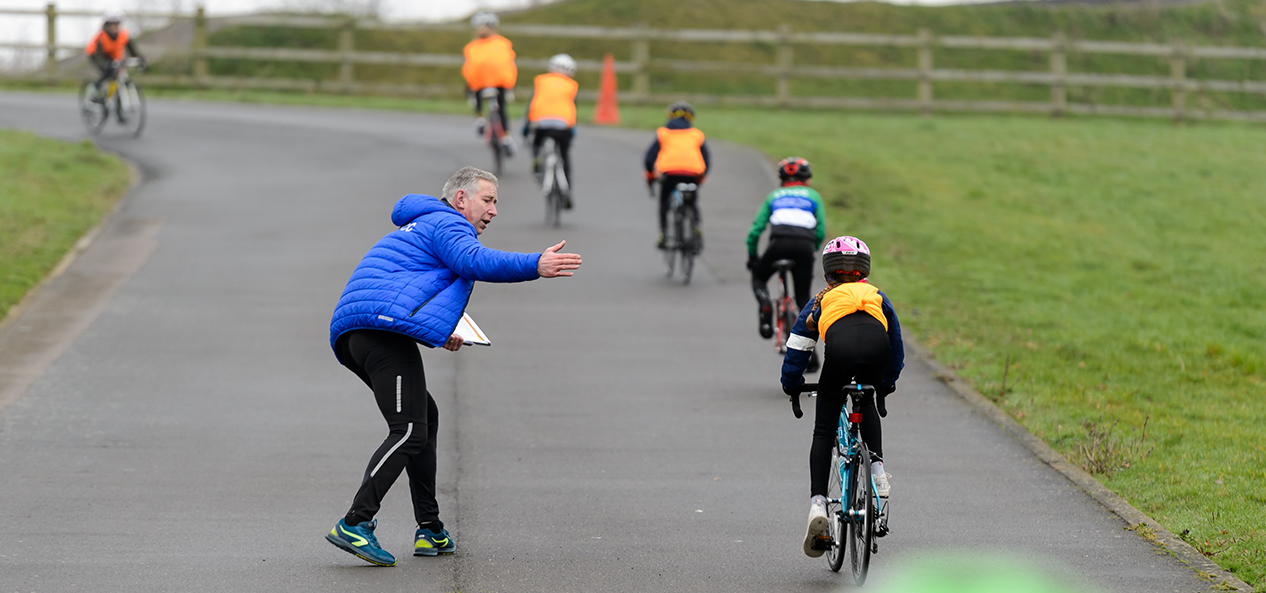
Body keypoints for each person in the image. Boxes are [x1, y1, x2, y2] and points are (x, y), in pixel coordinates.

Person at [325, 166, 582, 566]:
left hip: (366, 331)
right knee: (408, 429)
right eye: (488, 200)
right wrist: (536, 264)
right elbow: (474, 262)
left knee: (423, 418)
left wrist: (440, 330)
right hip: (377, 334)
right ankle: (355, 522)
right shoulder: (447, 222)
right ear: (461, 199)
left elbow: (405, 287)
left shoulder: (427, 223)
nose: (494, 210)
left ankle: (430, 529)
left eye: (497, 202)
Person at [779, 236, 903, 558]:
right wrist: (887, 383)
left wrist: (791, 384)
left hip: (840, 352)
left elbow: (798, 347)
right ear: (864, 271)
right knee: (867, 391)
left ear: (827, 274)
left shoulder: (822, 299)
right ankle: (877, 474)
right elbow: (897, 342)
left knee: (824, 430)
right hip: (877, 349)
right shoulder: (876, 295)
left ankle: (818, 504)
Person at [747, 157, 827, 371]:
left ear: (782, 179)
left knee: (759, 278)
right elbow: (820, 230)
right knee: (803, 300)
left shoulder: (774, 196)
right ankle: (813, 356)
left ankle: (765, 306)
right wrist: (813, 249)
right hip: (804, 245)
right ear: (807, 180)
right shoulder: (814, 196)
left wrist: (753, 257)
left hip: (778, 244)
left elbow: (755, 230)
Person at [643, 101, 710, 250]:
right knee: (692, 200)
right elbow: (707, 159)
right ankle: (696, 225)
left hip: (669, 172)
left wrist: (650, 176)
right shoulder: (696, 134)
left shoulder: (663, 133)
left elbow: (649, 159)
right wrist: (701, 178)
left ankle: (664, 233)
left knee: (664, 200)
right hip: (693, 172)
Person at [523, 53, 579, 207]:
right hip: (563, 125)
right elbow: (574, 109)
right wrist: (572, 130)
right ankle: (567, 191)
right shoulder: (572, 85)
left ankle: (536, 163)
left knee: (536, 143)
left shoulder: (541, 81)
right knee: (565, 155)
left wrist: (526, 129)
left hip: (541, 123)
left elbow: (531, 105)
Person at [463, 11, 518, 155]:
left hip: (480, 84)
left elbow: (469, 69)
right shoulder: (504, 43)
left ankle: (480, 116)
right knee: (502, 109)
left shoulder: (472, 46)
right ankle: (506, 137)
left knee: (473, 91)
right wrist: (511, 86)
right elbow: (510, 65)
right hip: (501, 82)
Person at [83, 12, 146, 96]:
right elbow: (98, 55)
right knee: (107, 72)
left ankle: (112, 96)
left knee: (117, 74)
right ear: (107, 26)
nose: (114, 28)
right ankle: (97, 89)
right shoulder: (101, 37)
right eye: (111, 25)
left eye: (116, 25)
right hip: (97, 55)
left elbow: (132, 49)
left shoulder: (123, 35)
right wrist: (104, 64)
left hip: (113, 55)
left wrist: (139, 58)